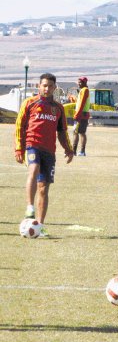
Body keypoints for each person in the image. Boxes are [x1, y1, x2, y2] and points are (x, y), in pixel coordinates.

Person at [14, 73, 74, 237]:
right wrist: (19, 148)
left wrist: (69, 150)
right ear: (39, 86)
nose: (47, 89)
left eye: (50, 86)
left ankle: (40, 226)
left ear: (55, 88)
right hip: (32, 146)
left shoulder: (58, 108)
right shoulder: (29, 103)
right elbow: (19, 126)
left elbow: (62, 132)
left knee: (44, 189)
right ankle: (29, 208)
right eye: (44, 85)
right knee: (33, 169)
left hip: (49, 151)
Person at [72, 76, 90, 156]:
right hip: (82, 114)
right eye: (78, 82)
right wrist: (74, 100)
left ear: (84, 83)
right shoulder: (83, 90)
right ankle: (76, 151)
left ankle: (78, 151)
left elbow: (82, 103)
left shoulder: (85, 90)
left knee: (79, 132)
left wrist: (77, 114)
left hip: (82, 115)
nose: (78, 83)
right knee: (78, 132)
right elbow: (80, 102)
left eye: (80, 82)